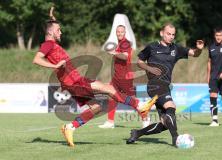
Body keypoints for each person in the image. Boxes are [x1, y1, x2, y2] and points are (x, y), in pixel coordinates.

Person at [32, 15, 158, 147]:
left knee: (96, 107)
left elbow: (50, 32)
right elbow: (37, 59)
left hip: (74, 82)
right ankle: (139, 106)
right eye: (58, 30)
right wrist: (55, 66)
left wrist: (52, 19)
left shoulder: (52, 44)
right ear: (51, 32)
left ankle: (70, 127)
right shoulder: (48, 44)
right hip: (74, 82)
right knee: (109, 89)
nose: (61, 32)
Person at [126, 23, 204, 146]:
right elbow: (140, 61)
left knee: (165, 123)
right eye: (168, 34)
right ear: (162, 33)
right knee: (171, 107)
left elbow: (194, 54)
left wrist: (199, 49)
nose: (171, 37)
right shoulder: (152, 47)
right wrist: (149, 69)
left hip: (165, 85)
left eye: (173, 34)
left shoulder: (176, 48)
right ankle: (176, 139)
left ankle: (137, 133)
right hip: (154, 84)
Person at [98, 25, 150, 129]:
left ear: (125, 33)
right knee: (111, 95)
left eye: (121, 32)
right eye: (118, 32)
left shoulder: (125, 43)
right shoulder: (120, 43)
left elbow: (125, 56)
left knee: (132, 100)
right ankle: (110, 121)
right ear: (116, 33)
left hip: (125, 78)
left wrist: (114, 52)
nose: (119, 33)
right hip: (117, 77)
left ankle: (146, 118)